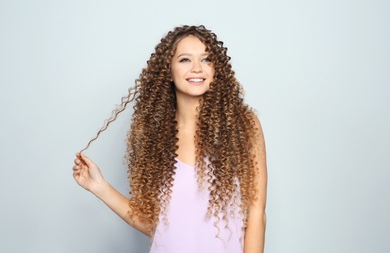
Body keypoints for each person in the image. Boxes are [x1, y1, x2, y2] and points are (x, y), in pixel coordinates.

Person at [73, 25, 267, 253]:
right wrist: (99, 187)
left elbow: (256, 213)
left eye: (206, 59)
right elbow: (161, 227)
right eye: (185, 60)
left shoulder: (242, 125)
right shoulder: (154, 138)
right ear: (168, 70)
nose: (197, 68)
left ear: (216, 69)